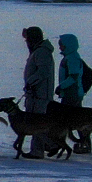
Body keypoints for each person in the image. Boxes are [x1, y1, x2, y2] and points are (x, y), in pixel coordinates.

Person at [21, 26, 55, 158]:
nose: (26, 42)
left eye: (27, 39)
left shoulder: (41, 52)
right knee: (36, 124)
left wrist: (30, 82)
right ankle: (47, 146)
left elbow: (43, 72)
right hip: (36, 94)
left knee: (36, 124)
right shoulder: (38, 51)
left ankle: (41, 149)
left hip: (39, 96)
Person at [56, 33, 91, 153]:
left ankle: (83, 143)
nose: (59, 47)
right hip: (72, 93)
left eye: (61, 45)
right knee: (77, 119)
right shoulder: (70, 57)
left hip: (73, 94)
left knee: (71, 119)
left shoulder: (72, 58)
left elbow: (74, 76)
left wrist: (61, 87)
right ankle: (84, 143)